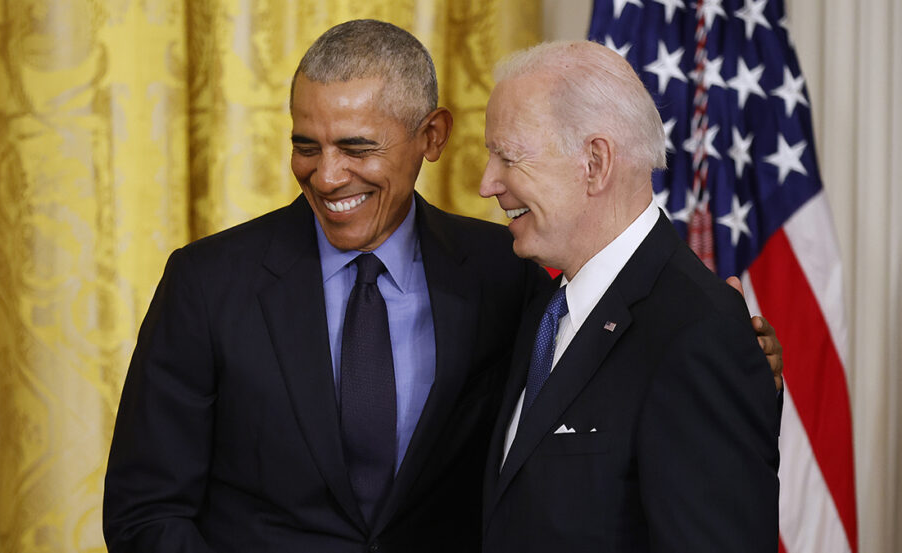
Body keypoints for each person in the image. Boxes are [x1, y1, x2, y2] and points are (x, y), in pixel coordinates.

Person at [103, 21, 781, 553]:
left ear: (430, 136)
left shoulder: (505, 276)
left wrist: (738, 362)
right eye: (307, 145)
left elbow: (634, 401)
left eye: (357, 147)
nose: (326, 175)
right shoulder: (207, 284)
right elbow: (144, 511)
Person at [478, 41, 780, 552]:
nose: (487, 183)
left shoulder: (699, 331)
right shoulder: (544, 309)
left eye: (508, 157)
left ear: (595, 163)